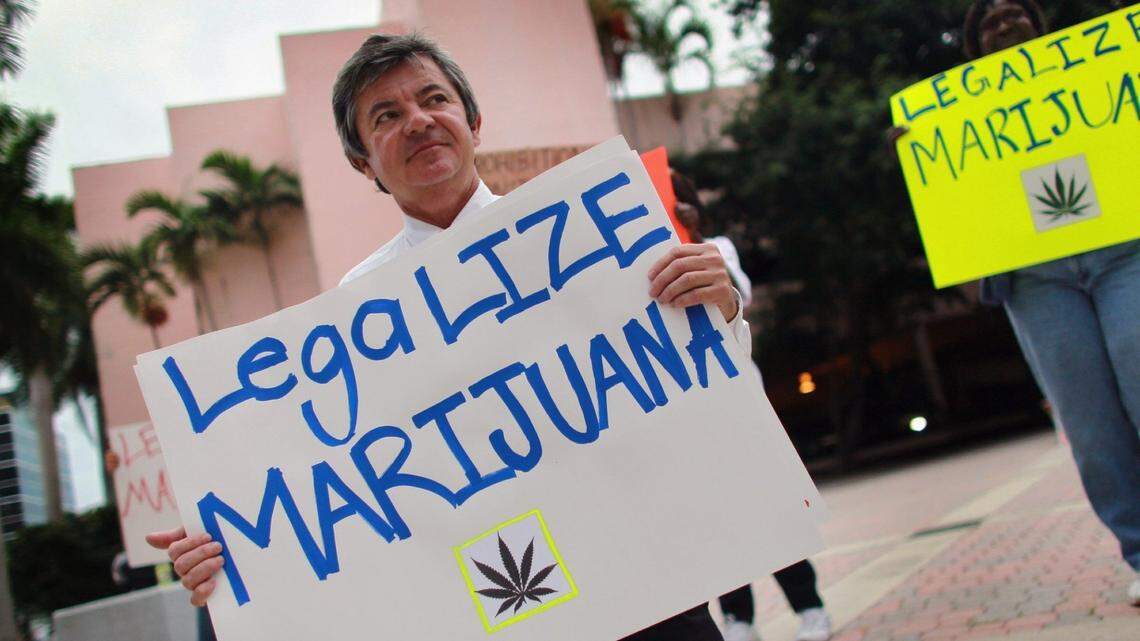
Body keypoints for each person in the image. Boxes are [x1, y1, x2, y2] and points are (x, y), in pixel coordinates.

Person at [145, 32, 752, 641]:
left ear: (473, 121)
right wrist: (237, 563)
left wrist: (720, 311)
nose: (418, 121)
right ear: (364, 163)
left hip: (650, 583)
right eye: (386, 116)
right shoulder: (352, 318)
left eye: (433, 99)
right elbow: (329, 489)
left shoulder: (588, 236)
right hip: (505, 611)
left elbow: (702, 388)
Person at [892, 0, 1140, 605]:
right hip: (1037, 283)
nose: (1004, 24)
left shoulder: (1102, 80)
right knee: (1091, 425)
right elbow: (960, 216)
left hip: (1124, 254)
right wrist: (922, 154)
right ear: (975, 50)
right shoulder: (963, 125)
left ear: (1041, 26)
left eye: (1013, 12)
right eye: (989, 22)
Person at [672, 172, 833, 641]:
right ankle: (739, 619)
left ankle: (809, 607)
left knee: (772, 515)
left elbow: (740, 295)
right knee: (721, 525)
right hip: (684, 421)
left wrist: (694, 237)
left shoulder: (715, 247)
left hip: (737, 410)